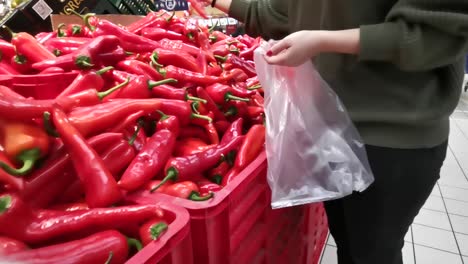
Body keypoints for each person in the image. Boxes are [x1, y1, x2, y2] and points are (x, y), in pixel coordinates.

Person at [204, 0, 468, 263]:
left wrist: (322, 41)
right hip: (329, 131)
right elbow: (280, 14)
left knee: (374, 253)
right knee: (348, 244)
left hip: (394, 139)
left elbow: (434, 34)